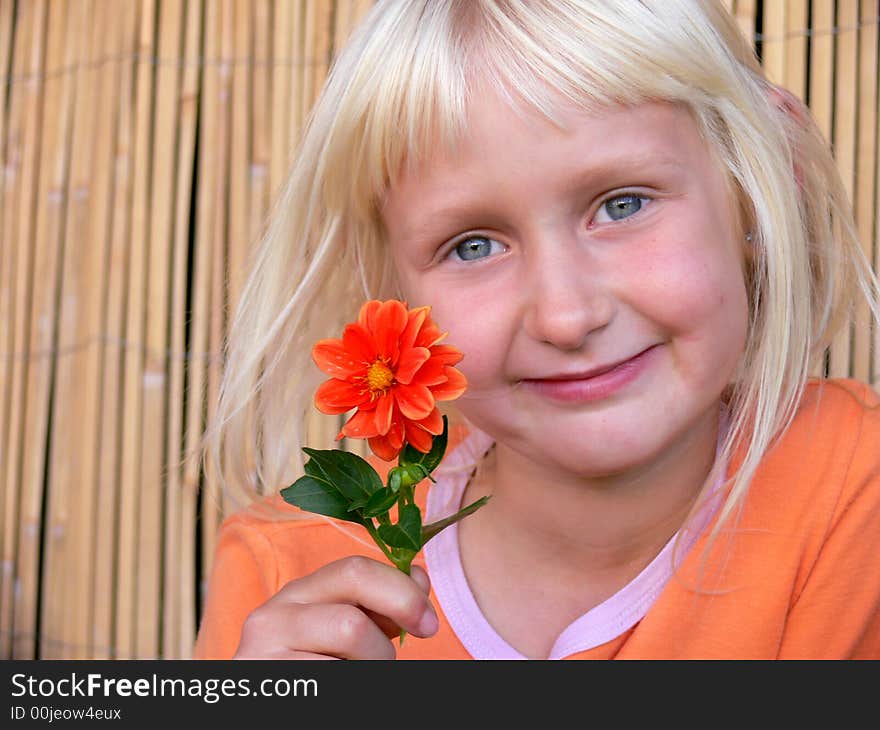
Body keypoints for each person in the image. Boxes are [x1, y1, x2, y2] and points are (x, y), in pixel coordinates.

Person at [191, 0, 880, 660]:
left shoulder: (854, 491)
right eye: (473, 246)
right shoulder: (283, 586)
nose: (566, 316)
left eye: (622, 204)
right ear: (395, 291)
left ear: (760, 183)